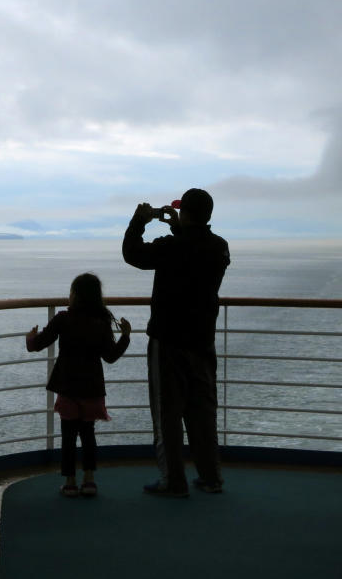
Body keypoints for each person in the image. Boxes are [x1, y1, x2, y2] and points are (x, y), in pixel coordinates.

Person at [122, 188, 230, 497]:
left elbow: (133, 254)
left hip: (168, 341)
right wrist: (177, 226)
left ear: (184, 213)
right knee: (202, 412)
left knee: (167, 414)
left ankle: (173, 480)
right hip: (202, 341)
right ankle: (211, 478)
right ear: (207, 215)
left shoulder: (172, 247)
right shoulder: (219, 247)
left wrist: (138, 221)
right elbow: (193, 248)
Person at [26, 273, 131, 497]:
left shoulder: (63, 319)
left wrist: (30, 338)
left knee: (68, 435)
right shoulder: (101, 322)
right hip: (92, 387)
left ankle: (70, 482)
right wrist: (125, 336)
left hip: (68, 386)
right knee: (88, 434)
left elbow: (38, 344)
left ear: (74, 295)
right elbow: (110, 357)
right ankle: (90, 480)